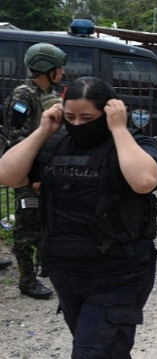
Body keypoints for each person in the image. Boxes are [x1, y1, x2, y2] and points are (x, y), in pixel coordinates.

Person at [0, 76, 157, 357]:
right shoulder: (56, 144)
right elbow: (8, 174)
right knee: (107, 351)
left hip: (120, 273)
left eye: (87, 117)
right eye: (70, 116)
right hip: (68, 272)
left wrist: (119, 129)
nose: (77, 125)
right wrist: (43, 131)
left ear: (109, 112)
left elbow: (145, 181)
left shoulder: (133, 143)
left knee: (90, 353)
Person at [2, 42, 67, 299]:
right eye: (57, 67)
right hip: (28, 174)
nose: (61, 71)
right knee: (26, 229)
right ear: (44, 67)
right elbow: (19, 141)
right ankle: (26, 281)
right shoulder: (22, 97)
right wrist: (35, 177)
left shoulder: (48, 92)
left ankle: (45, 267)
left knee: (47, 222)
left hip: (47, 172)